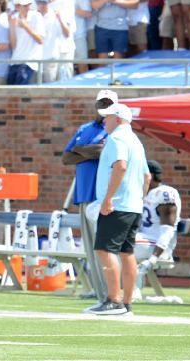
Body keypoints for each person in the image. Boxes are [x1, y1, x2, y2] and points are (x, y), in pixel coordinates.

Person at [85, 102, 149, 317]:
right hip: (133, 205)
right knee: (126, 252)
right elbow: (147, 176)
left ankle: (114, 301)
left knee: (104, 250)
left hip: (118, 205)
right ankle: (127, 303)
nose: (104, 120)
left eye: (108, 117)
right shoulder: (136, 141)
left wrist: (108, 199)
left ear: (118, 119)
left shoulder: (117, 138)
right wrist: (139, 198)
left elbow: (120, 166)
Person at [63, 89, 115, 303]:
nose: (104, 106)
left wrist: (80, 150)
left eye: (108, 102)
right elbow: (66, 157)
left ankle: (110, 291)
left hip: (101, 195)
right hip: (84, 193)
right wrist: (88, 150)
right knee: (90, 246)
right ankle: (97, 289)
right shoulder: (84, 128)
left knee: (103, 246)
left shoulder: (115, 129)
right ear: (96, 105)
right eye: (101, 102)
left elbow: (102, 152)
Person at [134, 159, 180, 296]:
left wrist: (154, 258)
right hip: (145, 240)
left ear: (150, 176)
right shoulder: (144, 193)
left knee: (118, 244)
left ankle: (132, 289)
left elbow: (168, 229)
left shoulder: (164, 193)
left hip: (158, 244)